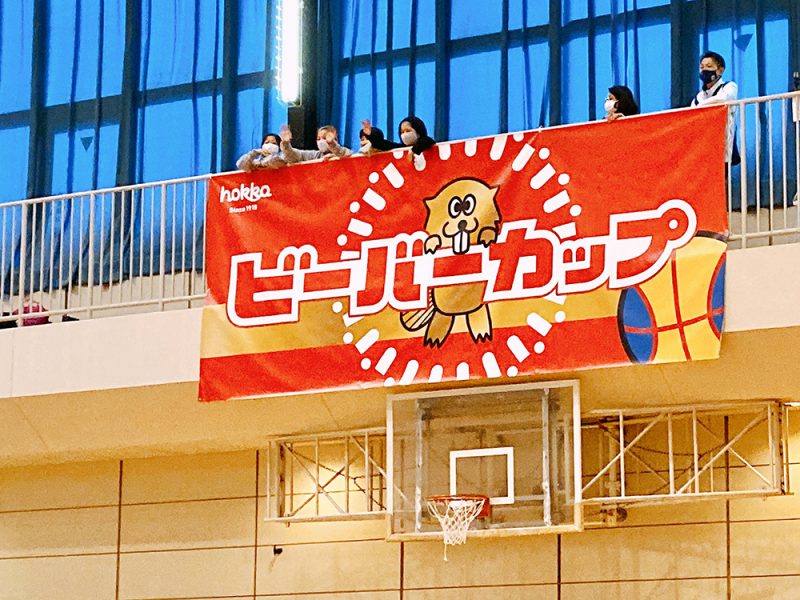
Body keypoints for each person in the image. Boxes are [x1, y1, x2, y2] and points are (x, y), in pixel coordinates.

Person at [692, 51, 739, 164]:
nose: (704, 70)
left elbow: (724, 99)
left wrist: (700, 107)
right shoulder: (698, 97)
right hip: (703, 151)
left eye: (709, 66)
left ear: (720, 70)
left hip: (723, 150)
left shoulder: (729, 87)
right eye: (702, 67)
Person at [361, 116, 436, 156]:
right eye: (402, 132)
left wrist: (414, 150)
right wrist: (371, 135)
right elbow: (382, 144)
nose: (405, 134)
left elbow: (427, 140)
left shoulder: (426, 142)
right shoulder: (400, 148)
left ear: (418, 131)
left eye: (408, 131)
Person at [279, 124, 352, 164]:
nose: (321, 141)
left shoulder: (345, 152)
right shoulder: (315, 155)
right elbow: (294, 156)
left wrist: (332, 144)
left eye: (324, 138)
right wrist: (286, 144)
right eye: (318, 139)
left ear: (335, 139)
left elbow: (345, 154)